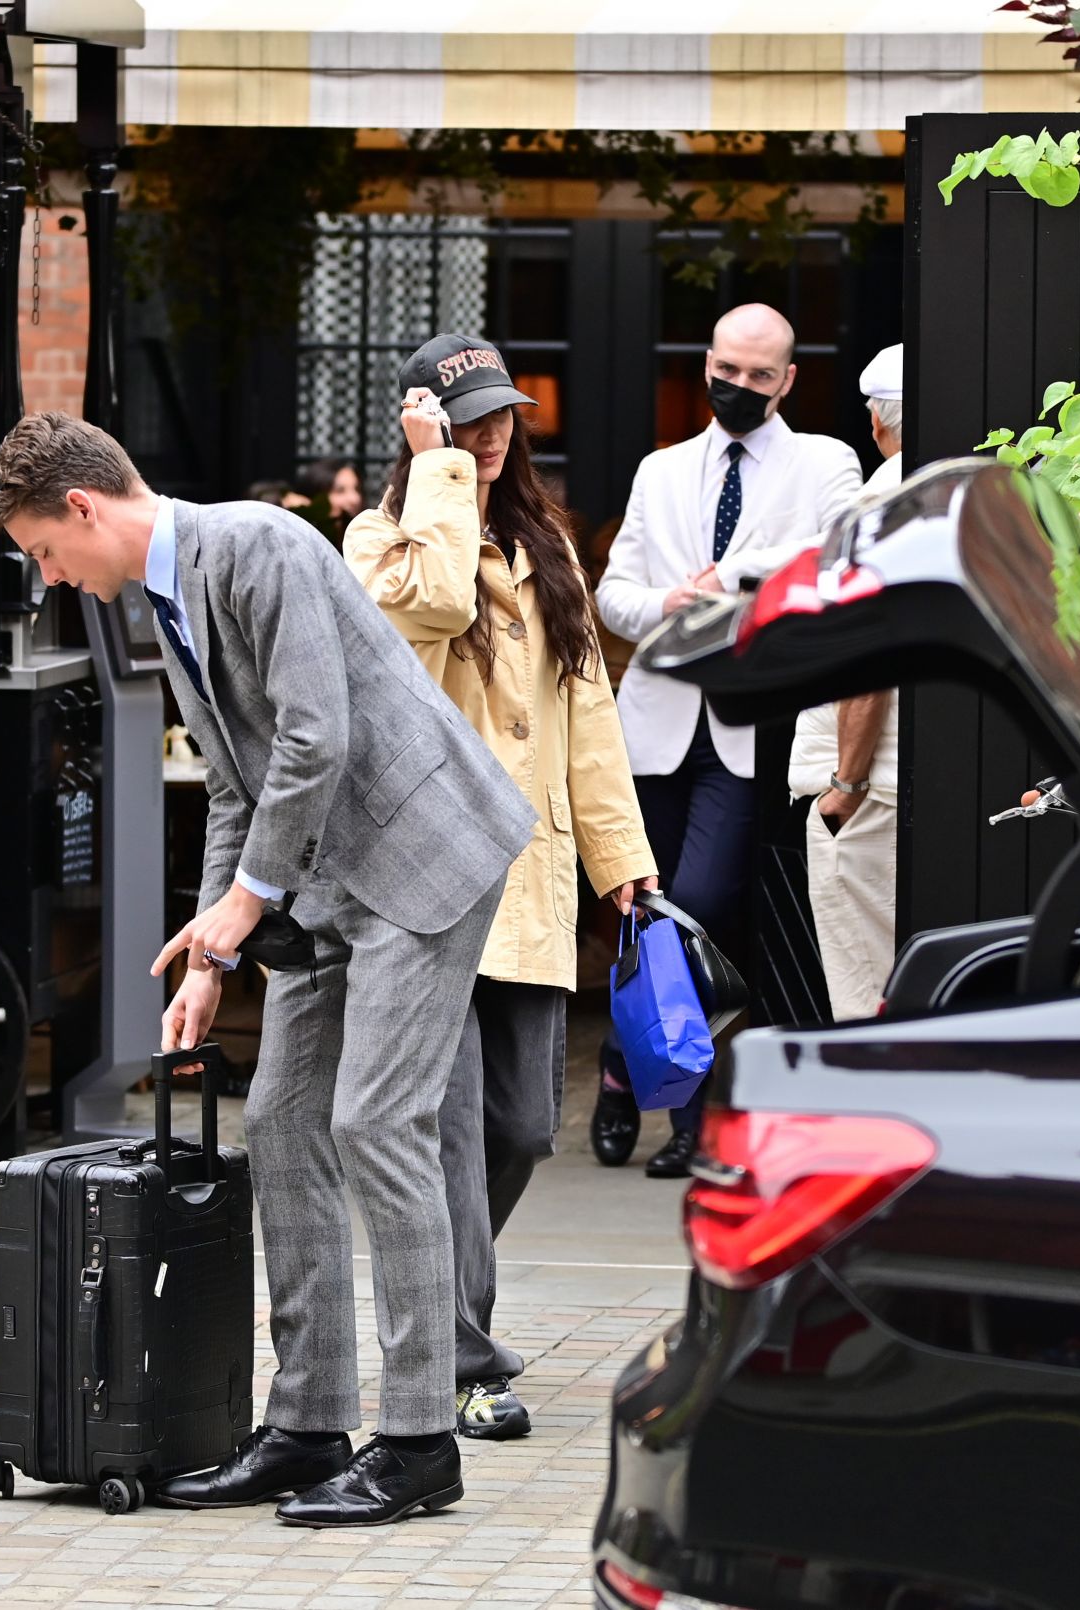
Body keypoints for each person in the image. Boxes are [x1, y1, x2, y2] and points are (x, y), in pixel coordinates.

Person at [0, 412, 536, 1528]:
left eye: (44, 552)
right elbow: (238, 786)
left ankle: (421, 1437)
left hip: (423, 858)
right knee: (279, 1123)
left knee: (378, 1124)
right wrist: (207, 953)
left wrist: (240, 909)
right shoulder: (167, 595)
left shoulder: (259, 544)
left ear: (82, 508)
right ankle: (308, 1422)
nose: (54, 578)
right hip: (327, 886)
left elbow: (315, 739)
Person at [344, 333, 656, 1440]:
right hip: (423, 883)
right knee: (442, 1136)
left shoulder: (547, 549)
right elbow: (421, 615)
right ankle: (462, 1358)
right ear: (421, 424)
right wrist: (435, 474)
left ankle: (449, 1315)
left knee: (523, 1125)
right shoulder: (379, 538)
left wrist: (622, 865)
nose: (487, 436)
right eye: (464, 418)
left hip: (524, 877)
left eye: (498, 418)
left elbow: (588, 720)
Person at [592, 304, 864, 1177]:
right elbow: (614, 595)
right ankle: (675, 1104)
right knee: (644, 911)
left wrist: (735, 576)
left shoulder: (827, 461)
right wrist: (667, 604)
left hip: (748, 732)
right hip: (656, 723)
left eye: (757, 375)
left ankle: (624, 1068)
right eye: (726, 369)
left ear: (787, 380)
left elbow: (834, 549)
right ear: (705, 363)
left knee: (698, 906)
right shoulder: (660, 469)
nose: (737, 387)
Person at [788, 342, 904, 1020]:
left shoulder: (880, 501)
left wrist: (846, 786)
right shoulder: (945, 489)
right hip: (898, 790)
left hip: (865, 796)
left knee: (868, 1001)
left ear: (877, 421)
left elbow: (866, 662)